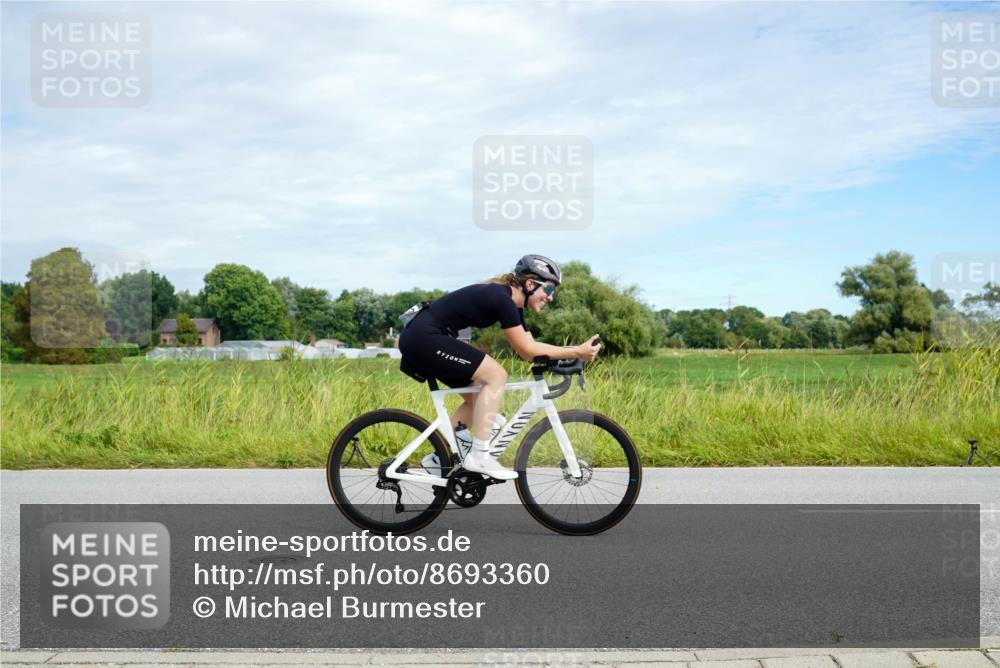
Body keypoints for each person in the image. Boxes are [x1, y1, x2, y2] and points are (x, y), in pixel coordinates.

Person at [398, 254, 601, 480]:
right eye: (550, 290)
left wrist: (566, 356)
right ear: (531, 284)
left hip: (424, 337)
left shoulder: (512, 305)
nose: (551, 298)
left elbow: (531, 347)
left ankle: (439, 459)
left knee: (476, 399)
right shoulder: (501, 298)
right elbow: (527, 351)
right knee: (496, 375)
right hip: (424, 338)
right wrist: (576, 351)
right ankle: (480, 455)